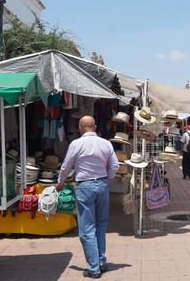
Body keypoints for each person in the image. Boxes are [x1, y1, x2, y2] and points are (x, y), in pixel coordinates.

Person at [56, 116, 119, 278]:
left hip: (85, 186)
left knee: (86, 229)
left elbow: (66, 166)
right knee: (101, 225)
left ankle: (94, 268)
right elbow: (115, 166)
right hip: (102, 184)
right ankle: (100, 261)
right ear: (95, 127)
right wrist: (107, 177)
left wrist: (60, 182)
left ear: (80, 128)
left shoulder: (76, 144)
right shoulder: (106, 143)